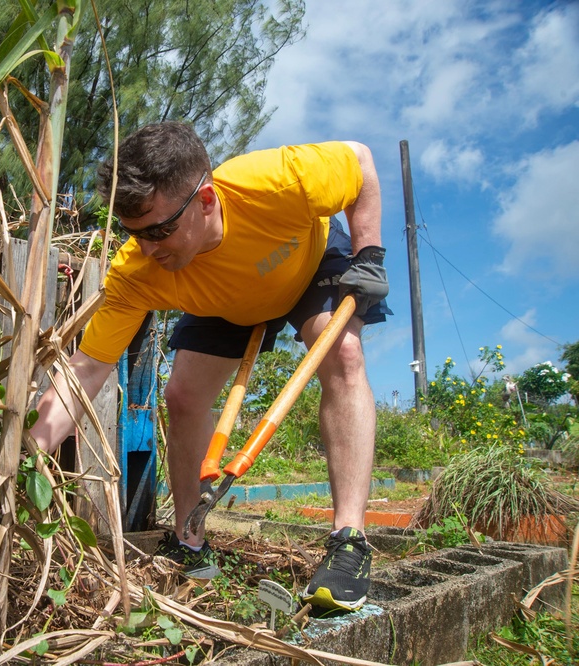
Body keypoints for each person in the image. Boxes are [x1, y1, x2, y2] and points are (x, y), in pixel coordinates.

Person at [29, 122, 391, 612]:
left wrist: (368, 254)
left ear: (204, 199)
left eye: (159, 230)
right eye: (134, 234)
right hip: (224, 302)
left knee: (343, 355)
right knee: (182, 397)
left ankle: (349, 540)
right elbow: (88, 368)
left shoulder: (278, 183)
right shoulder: (141, 270)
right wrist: (24, 454)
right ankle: (189, 539)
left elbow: (361, 160)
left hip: (306, 264)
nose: (149, 248)